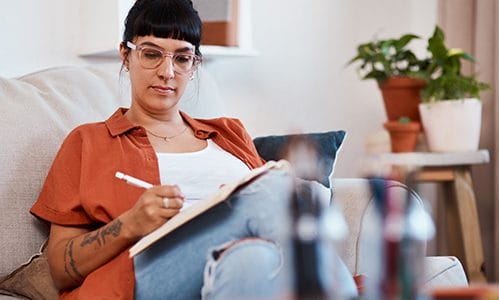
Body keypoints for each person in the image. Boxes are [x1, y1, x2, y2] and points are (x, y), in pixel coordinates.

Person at [30, 0, 357, 299]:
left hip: (237, 266)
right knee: (268, 188)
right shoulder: (89, 142)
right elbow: (59, 270)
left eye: (182, 57)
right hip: (143, 279)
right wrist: (129, 224)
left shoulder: (229, 132)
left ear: (195, 64)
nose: (167, 72)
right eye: (151, 53)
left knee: (252, 259)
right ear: (125, 55)